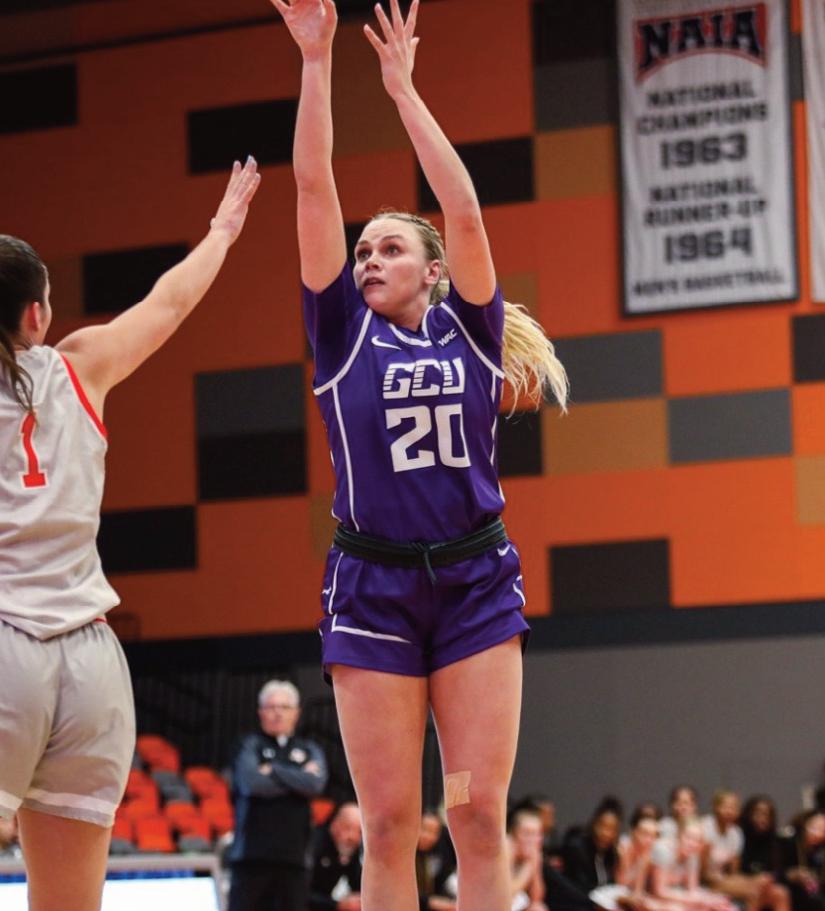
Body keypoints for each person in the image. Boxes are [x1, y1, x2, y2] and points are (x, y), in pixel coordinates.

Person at [270, 1, 568, 908]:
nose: (367, 258)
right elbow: (312, 187)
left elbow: (464, 210)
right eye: (362, 250)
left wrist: (402, 90)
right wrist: (316, 61)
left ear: (433, 271)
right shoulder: (340, 333)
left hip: (474, 581)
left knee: (475, 815)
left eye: (389, 248)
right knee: (390, 823)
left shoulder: (469, 329)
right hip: (373, 587)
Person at [0, 158, 260, 911]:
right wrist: (221, 231)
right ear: (38, 315)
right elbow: (168, 301)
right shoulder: (82, 365)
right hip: (90, 663)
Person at [226, 679, 329, 911]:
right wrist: (298, 776)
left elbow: (315, 784)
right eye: (271, 707)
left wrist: (273, 769)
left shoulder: (309, 748)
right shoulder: (248, 744)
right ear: (260, 712)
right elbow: (252, 783)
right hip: (251, 858)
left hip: (294, 859)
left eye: (284, 707)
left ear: (297, 713)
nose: (277, 713)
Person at [701, 790, 789, 911]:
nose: (729, 811)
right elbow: (703, 874)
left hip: (724, 879)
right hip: (704, 882)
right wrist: (745, 882)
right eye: (725, 807)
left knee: (778, 892)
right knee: (754, 891)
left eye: (733, 808)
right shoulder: (705, 828)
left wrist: (755, 879)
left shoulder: (736, 833)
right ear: (715, 807)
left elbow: (734, 872)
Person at [309, 801, 363, 911]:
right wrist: (336, 905)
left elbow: (357, 883)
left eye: (359, 832)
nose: (353, 837)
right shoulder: (315, 845)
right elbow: (300, 892)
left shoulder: (349, 849)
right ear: (335, 825)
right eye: (348, 828)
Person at [509, 807, 549, 911]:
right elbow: (506, 894)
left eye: (536, 834)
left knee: (538, 908)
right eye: (526, 833)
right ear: (513, 834)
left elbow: (536, 898)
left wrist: (535, 866)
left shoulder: (533, 856)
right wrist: (528, 868)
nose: (531, 840)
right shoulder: (506, 850)